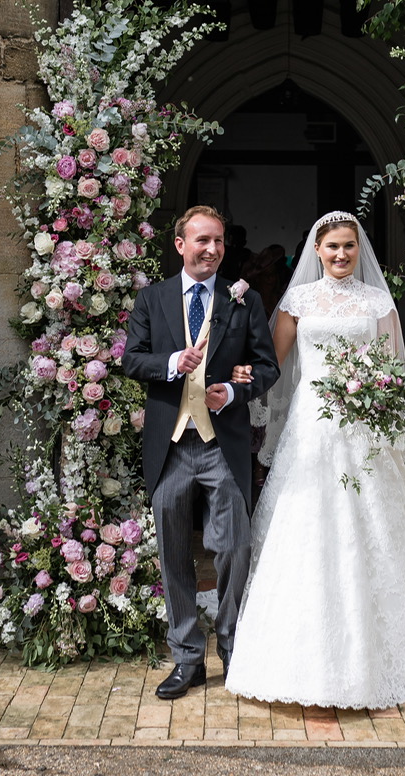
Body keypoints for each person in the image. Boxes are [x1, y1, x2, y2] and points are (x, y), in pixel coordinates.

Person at [224, 211, 405, 708]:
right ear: (317, 251)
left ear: (358, 248)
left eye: (349, 246)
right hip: (313, 428)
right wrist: (233, 376)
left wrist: (381, 408)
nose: (342, 255)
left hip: (366, 428)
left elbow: (393, 369)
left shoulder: (377, 302)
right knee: (308, 526)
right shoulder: (298, 301)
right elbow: (272, 363)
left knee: (372, 529)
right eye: (332, 247)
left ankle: (380, 656)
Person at [121, 206, 280, 699]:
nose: (211, 249)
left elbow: (266, 366)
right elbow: (130, 359)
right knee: (173, 555)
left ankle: (232, 646)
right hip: (170, 445)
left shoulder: (244, 299)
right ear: (180, 244)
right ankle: (187, 657)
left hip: (222, 444)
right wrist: (172, 362)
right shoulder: (153, 298)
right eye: (201, 241)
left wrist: (232, 394)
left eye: (218, 242)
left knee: (234, 546)